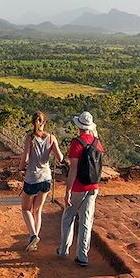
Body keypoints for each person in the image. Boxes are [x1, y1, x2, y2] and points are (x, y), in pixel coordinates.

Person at [59, 111, 104, 267]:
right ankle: (82, 255)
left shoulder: (76, 143)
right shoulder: (97, 142)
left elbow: (73, 169)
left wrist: (68, 191)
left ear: (78, 126)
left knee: (68, 217)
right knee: (86, 221)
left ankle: (64, 249)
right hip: (93, 186)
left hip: (79, 186)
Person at [19, 111, 64, 252]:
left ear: (33, 123)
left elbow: (25, 159)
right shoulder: (51, 138)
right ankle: (35, 240)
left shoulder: (30, 138)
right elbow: (60, 158)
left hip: (32, 178)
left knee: (26, 209)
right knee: (37, 210)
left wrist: (20, 167)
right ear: (44, 123)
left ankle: (33, 236)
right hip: (46, 178)